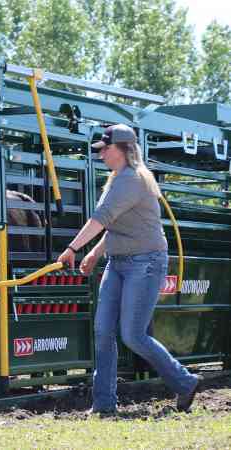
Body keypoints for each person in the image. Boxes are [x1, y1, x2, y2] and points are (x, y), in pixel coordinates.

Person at [57, 124, 200, 414]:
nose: (101, 155)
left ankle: (185, 382)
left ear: (121, 150)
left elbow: (101, 217)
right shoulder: (117, 179)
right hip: (118, 263)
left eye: (105, 150)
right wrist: (96, 253)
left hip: (145, 263)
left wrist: (73, 249)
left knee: (133, 335)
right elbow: (114, 224)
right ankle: (104, 404)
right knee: (103, 331)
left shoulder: (132, 180)